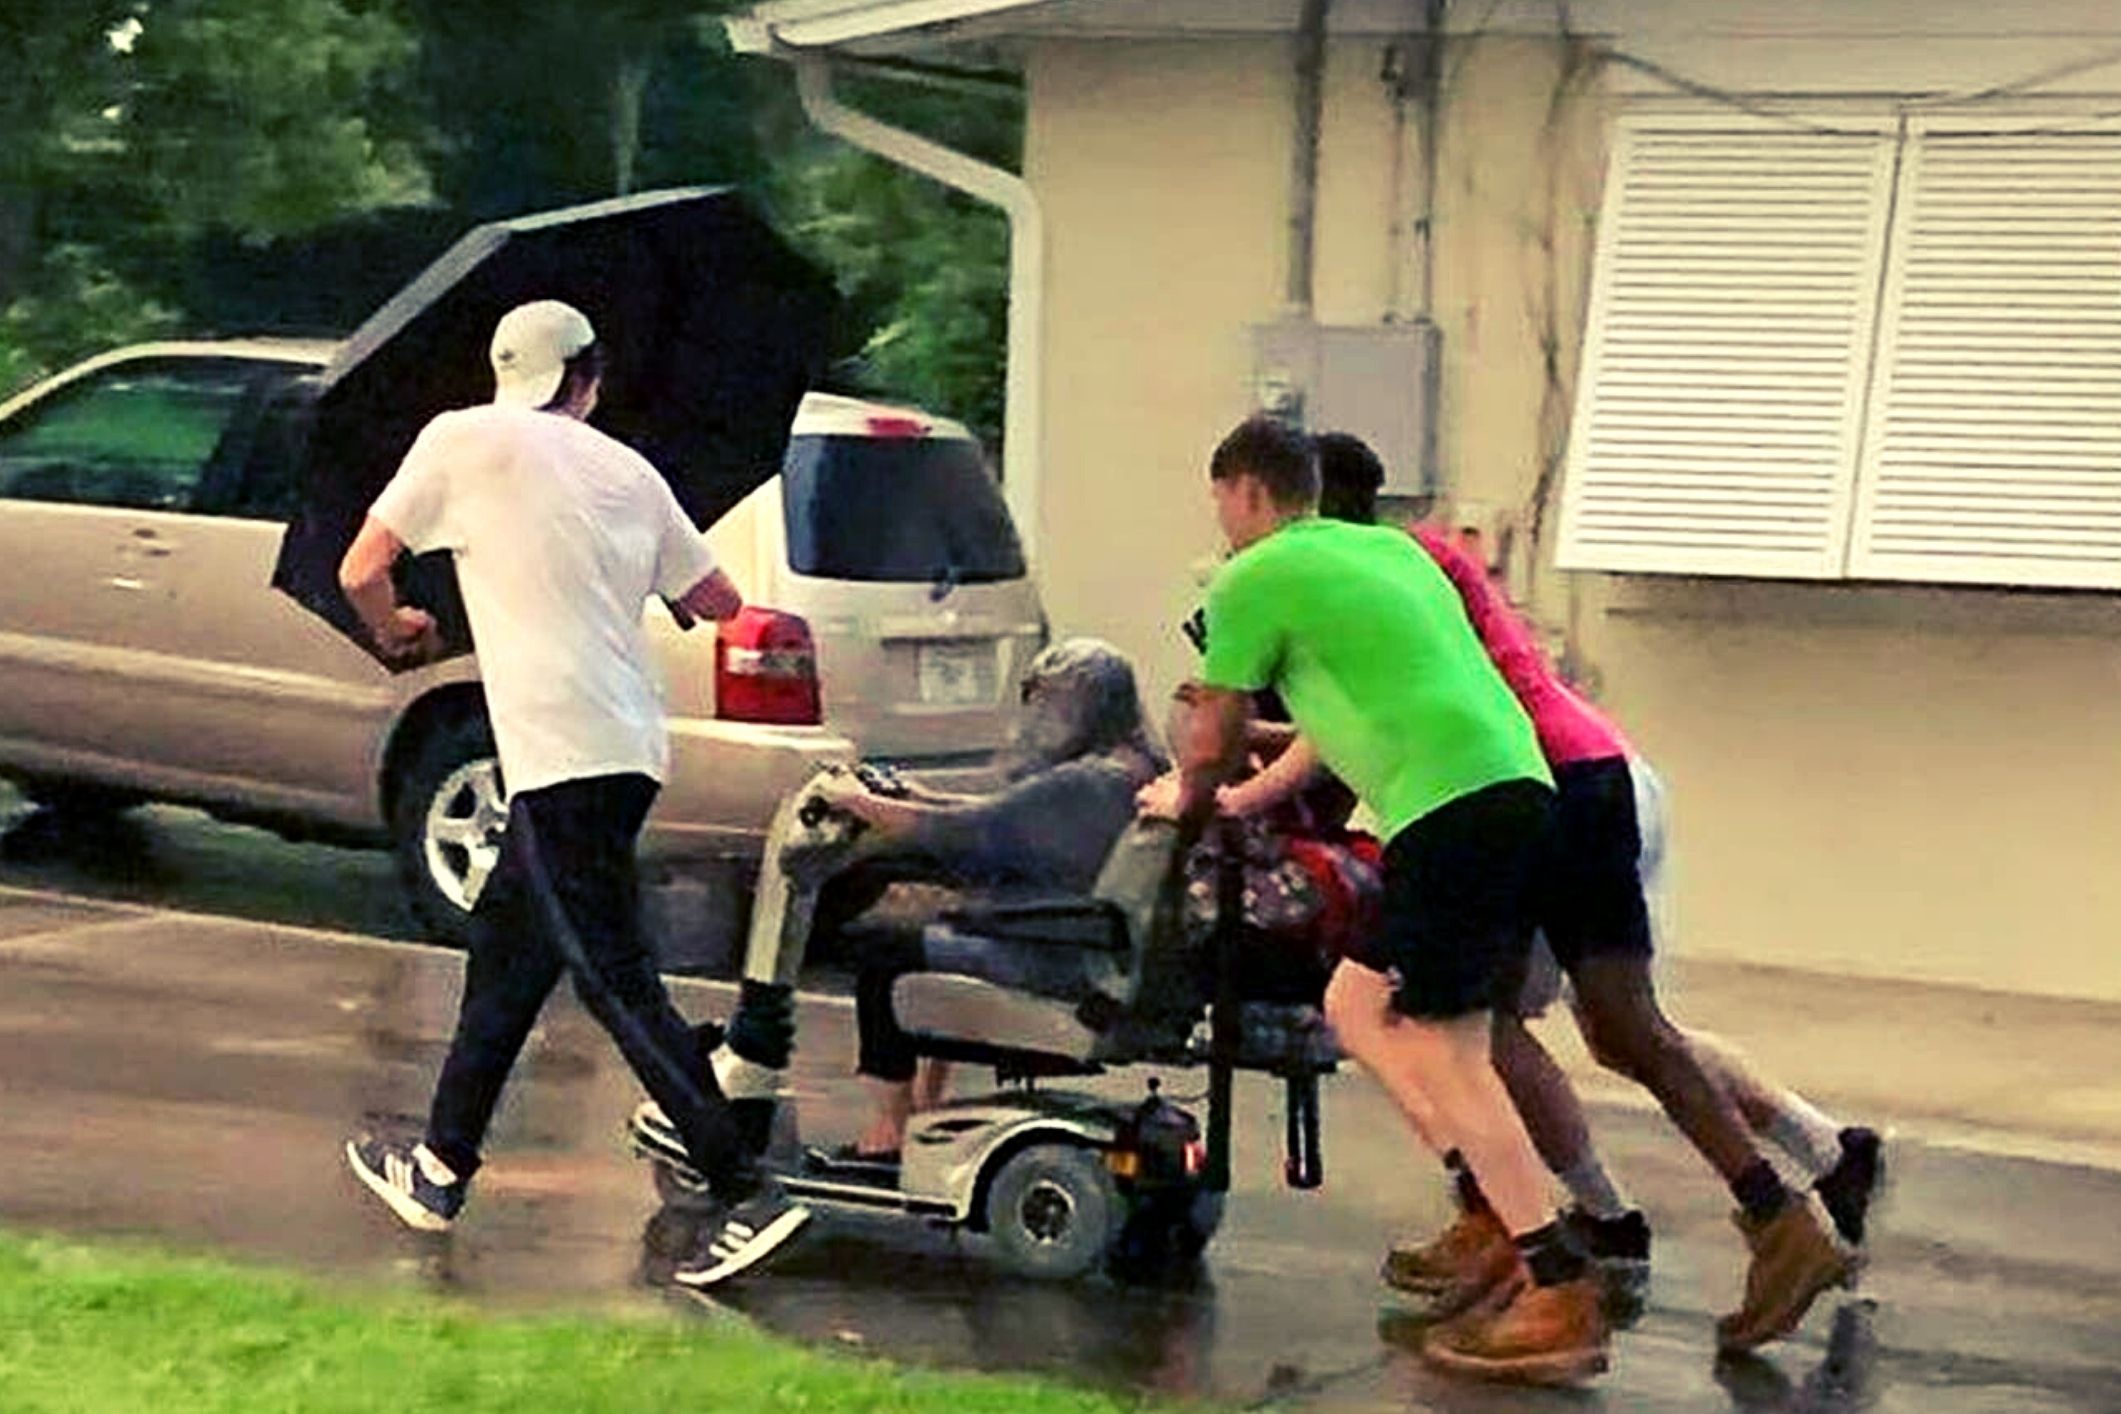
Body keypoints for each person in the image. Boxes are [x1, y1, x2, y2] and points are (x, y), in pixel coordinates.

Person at [1312, 431, 1880, 1353]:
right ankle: (1775, 1209)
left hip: (1539, 784)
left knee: (1480, 1019)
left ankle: (1552, 1233)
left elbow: (1421, 702)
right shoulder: (1414, 556)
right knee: (1613, 1028)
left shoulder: (1378, 570)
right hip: (1580, 768)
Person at [336, 299, 809, 1289]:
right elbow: (717, 602)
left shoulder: (460, 439)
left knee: (611, 975)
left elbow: (362, 568)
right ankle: (438, 1168)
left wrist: (399, 627)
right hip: (630, 745)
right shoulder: (629, 470)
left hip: (558, 752)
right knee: (506, 964)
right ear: (585, 377)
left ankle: (743, 1186)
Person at [1143, 415, 1606, 1385]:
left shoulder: (1252, 576)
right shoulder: (1386, 553)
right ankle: (1488, 1205)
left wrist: (1189, 802)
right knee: (1355, 1002)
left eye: (1221, 502)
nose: (1221, 523)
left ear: (1248, 493)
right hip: (1505, 787)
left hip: (1452, 808)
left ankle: (1556, 1282)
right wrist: (1238, 792)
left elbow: (1216, 726)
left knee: (1451, 1046)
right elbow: (1342, 708)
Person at [811, 638, 1168, 1163]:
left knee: (879, 946)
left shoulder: (1083, 783)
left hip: (1054, 955)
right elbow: (1002, 816)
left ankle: (888, 1129)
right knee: (929, 921)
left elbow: (963, 832)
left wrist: (858, 804)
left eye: (1048, 699)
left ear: (1082, 703)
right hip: (1093, 941)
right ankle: (927, 1106)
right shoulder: (1139, 768)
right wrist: (908, 794)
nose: (1038, 713)